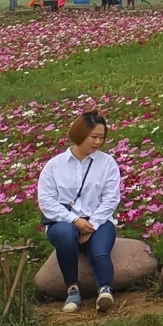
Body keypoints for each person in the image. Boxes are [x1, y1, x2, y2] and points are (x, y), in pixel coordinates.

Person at [38, 111, 122, 313]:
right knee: (65, 235)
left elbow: (111, 198)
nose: (98, 142)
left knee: (100, 251)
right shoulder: (54, 166)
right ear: (79, 134)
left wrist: (92, 224)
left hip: (98, 220)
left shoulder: (107, 163)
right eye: (93, 137)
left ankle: (104, 290)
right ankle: (72, 290)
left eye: (102, 137)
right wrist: (75, 220)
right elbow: (47, 201)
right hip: (63, 222)